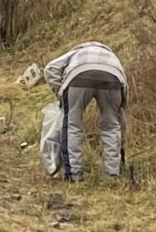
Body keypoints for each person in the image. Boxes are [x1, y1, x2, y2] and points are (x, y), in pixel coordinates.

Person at [44, 42, 127, 182]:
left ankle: (74, 175)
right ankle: (112, 175)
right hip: (112, 78)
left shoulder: (76, 53)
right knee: (112, 126)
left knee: (72, 126)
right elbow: (124, 85)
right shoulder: (112, 57)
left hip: (78, 76)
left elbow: (50, 69)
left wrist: (60, 92)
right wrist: (122, 106)